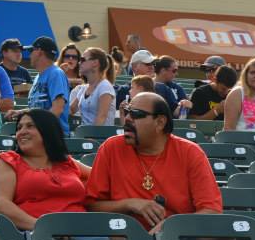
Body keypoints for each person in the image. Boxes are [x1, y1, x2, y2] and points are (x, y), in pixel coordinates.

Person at [85, 92, 222, 232]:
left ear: (160, 122)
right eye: (126, 112)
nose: (127, 118)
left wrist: (171, 227)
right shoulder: (111, 148)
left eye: (136, 114)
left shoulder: (190, 153)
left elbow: (211, 211)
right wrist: (129, 204)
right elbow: (92, 206)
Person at [0, 109, 92, 230]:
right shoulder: (10, 161)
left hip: (81, 230)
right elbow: (0, 204)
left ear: (48, 130)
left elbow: (99, 176)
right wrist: (44, 228)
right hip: (35, 237)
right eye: (19, 128)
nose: (21, 132)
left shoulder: (66, 161)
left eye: (30, 126)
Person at [18, 36, 70, 135]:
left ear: (39, 52)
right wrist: (20, 112)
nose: (29, 56)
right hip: (40, 134)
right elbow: (39, 109)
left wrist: (37, 128)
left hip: (52, 136)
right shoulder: (39, 76)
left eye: (31, 51)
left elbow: (57, 108)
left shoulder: (55, 73)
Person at [114, 50, 180, 118]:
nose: (151, 67)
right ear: (134, 67)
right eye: (147, 64)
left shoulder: (164, 89)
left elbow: (176, 113)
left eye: (153, 64)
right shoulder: (123, 90)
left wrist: (183, 106)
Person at [71, 47, 116, 127]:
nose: (79, 63)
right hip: (84, 135)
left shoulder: (105, 87)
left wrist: (89, 138)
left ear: (95, 63)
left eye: (82, 59)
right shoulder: (84, 89)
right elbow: (71, 110)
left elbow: (101, 118)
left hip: (100, 137)